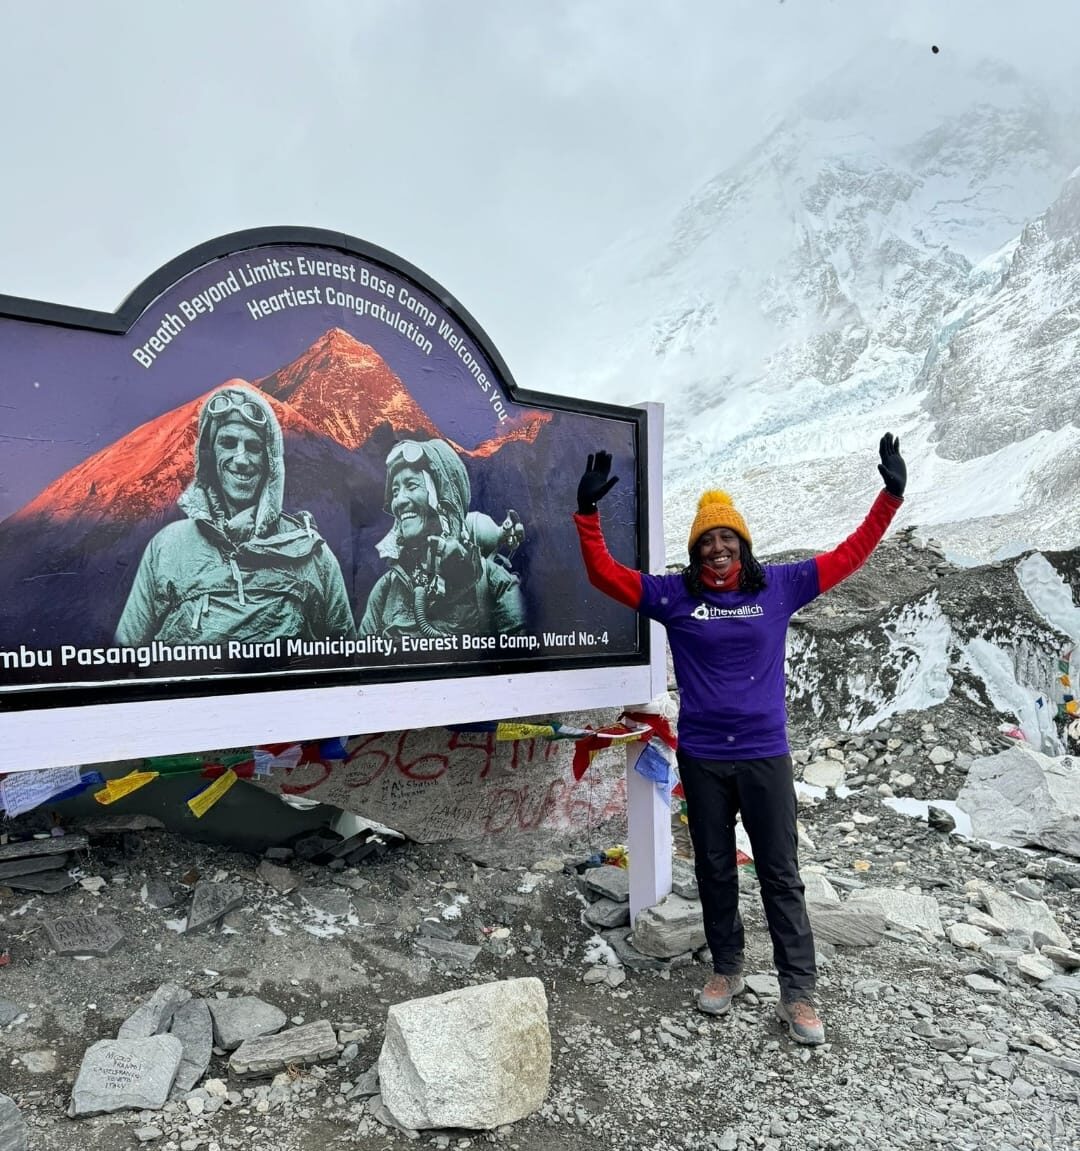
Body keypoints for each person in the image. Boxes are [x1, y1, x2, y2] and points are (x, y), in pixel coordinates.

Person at [574, 434, 907, 1045]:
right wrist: (588, 516)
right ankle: (726, 969)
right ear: (697, 550)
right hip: (702, 758)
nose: (719, 547)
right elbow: (606, 577)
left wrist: (890, 497)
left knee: (781, 873)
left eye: (727, 538)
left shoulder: (779, 586)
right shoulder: (676, 596)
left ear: (742, 544)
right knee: (715, 868)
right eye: (708, 539)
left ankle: (798, 992)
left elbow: (850, 554)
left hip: (763, 757)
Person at [116, 384, 355, 646]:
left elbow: (344, 658)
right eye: (228, 443)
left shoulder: (312, 553)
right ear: (210, 455)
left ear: (269, 461)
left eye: (253, 446)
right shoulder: (168, 547)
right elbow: (126, 656)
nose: (241, 459)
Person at [359, 438, 526, 642]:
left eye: (411, 486)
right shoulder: (385, 591)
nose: (399, 500)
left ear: (443, 498)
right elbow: (362, 666)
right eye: (395, 491)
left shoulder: (492, 583)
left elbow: (522, 661)